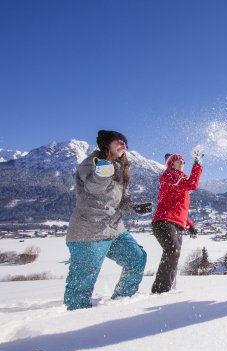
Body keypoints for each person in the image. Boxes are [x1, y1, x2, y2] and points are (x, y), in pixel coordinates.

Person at [64, 130, 153, 310]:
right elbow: (94, 187)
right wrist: (102, 173)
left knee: (137, 259)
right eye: (119, 142)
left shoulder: (120, 168)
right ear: (107, 144)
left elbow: (121, 200)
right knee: (83, 281)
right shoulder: (91, 164)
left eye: (125, 143)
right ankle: (75, 320)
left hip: (114, 229)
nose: (124, 146)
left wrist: (134, 207)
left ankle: (122, 302)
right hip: (90, 230)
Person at [151, 151, 203, 294]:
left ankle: (167, 288)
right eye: (178, 161)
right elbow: (192, 184)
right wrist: (197, 164)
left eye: (183, 162)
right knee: (173, 251)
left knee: (174, 254)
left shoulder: (180, 182)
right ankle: (161, 290)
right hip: (164, 221)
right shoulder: (169, 176)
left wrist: (189, 224)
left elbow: (179, 208)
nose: (181, 164)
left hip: (176, 223)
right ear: (171, 163)